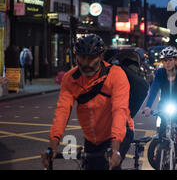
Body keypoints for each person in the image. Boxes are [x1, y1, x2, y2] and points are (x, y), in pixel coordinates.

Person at [41, 34, 134, 170]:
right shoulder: (70, 79)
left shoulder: (116, 75)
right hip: (92, 138)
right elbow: (62, 112)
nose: (86, 64)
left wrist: (115, 150)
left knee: (110, 166)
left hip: (118, 135)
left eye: (91, 58)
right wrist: (52, 147)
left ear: (101, 56)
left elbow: (119, 111)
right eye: (82, 57)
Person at [143, 46, 177, 170]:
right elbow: (154, 89)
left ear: (176, 60)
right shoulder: (160, 72)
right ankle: (162, 153)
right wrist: (148, 106)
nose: (167, 63)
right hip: (165, 106)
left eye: (170, 60)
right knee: (161, 134)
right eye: (165, 60)